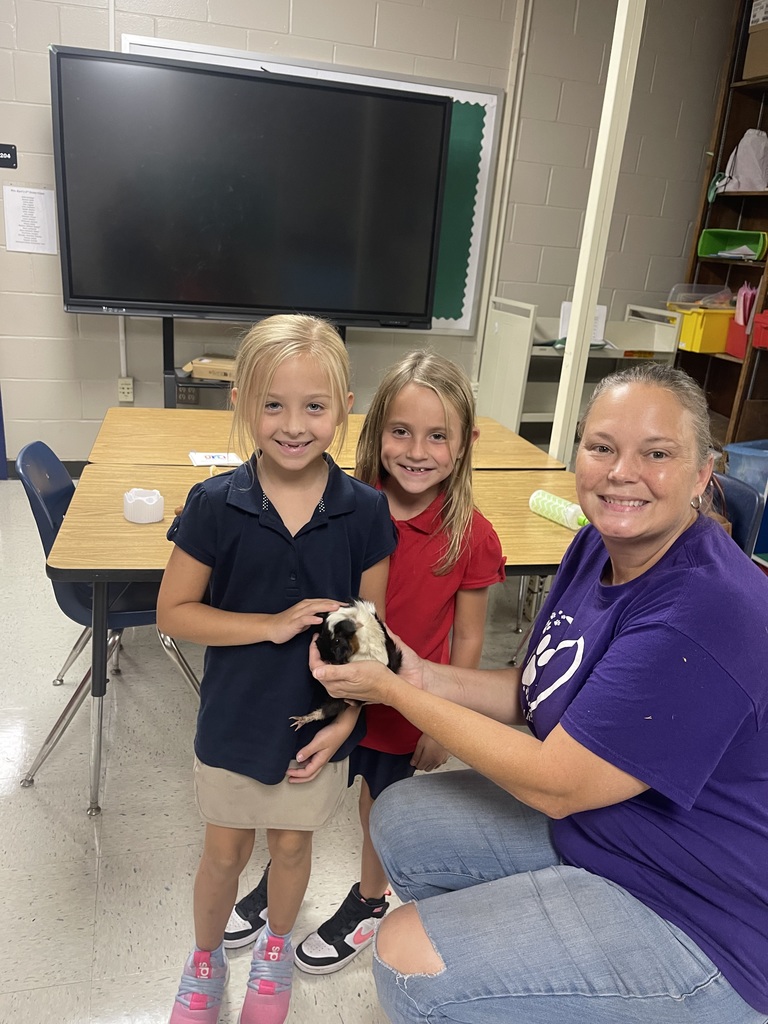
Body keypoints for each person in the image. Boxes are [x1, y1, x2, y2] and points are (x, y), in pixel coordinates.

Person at [310, 362, 768, 1024]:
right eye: (602, 447)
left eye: (657, 453)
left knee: (405, 958)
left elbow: (560, 783)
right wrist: (416, 672)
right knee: (401, 820)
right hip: (614, 832)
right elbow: (534, 693)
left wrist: (394, 693)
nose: (621, 472)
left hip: (702, 911)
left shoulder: (709, 609)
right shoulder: (595, 545)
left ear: (703, 473)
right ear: (578, 450)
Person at [225, 351, 506, 976]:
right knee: (302, 786)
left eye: (438, 436)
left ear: (464, 446)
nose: (417, 450)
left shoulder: (473, 535)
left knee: (381, 804)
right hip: (328, 688)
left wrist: (438, 721)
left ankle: (370, 899)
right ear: (375, 430)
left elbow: (468, 638)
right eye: (401, 431)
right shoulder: (344, 506)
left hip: (403, 704)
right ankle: (282, 877)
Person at [158, 314, 397, 1024]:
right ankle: (203, 961)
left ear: (344, 409)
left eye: (314, 406)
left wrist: (348, 718)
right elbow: (175, 611)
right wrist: (269, 625)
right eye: (273, 405)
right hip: (233, 719)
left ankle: (273, 954)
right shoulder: (214, 504)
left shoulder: (365, 512)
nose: (294, 425)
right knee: (224, 854)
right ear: (241, 403)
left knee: (293, 848)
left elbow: (369, 635)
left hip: (314, 728)